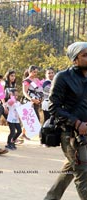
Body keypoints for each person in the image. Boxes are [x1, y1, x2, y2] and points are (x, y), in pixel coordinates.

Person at [44, 42, 87, 200]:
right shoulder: (63, 77)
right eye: (85, 55)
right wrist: (77, 123)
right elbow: (53, 107)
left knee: (71, 168)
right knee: (83, 173)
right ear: (74, 59)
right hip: (70, 134)